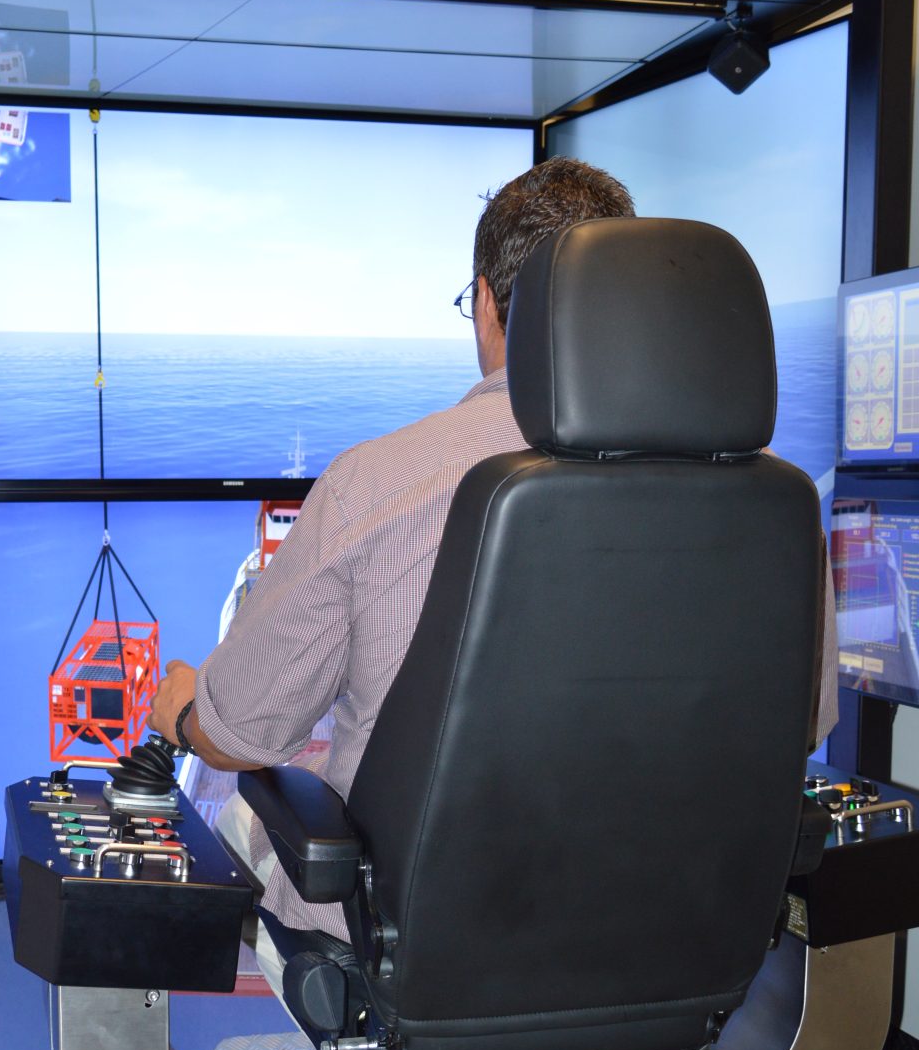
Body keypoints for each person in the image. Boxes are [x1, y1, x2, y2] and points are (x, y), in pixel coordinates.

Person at [150, 157, 839, 975]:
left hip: (427, 968)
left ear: (485, 301)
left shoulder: (379, 483)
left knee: (237, 813)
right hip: (672, 956)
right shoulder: (774, 503)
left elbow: (242, 732)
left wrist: (185, 711)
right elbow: (805, 726)